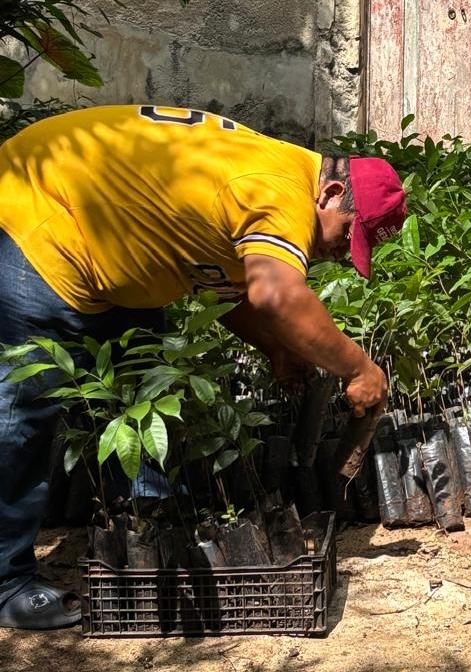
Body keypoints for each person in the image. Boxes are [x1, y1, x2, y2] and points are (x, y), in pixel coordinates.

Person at [0, 104, 407, 629]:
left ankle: (146, 533)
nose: (337, 254)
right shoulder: (281, 189)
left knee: (144, 397)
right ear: (329, 194)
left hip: (103, 237)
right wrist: (359, 369)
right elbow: (275, 294)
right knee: (22, 413)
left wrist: (277, 349)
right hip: (38, 213)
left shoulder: (272, 182)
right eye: (344, 236)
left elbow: (232, 287)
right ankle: (5, 583)